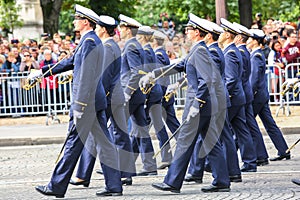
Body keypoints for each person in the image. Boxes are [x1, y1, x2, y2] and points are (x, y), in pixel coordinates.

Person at [30, 4, 122, 197]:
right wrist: (44, 73)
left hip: (86, 102)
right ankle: (114, 186)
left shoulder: (89, 41)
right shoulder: (89, 39)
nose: (73, 22)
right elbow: (70, 62)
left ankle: (56, 186)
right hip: (94, 101)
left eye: (76, 19)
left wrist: (79, 104)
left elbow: (86, 76)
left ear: (85, 22)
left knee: (73, 143)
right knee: (104, 144)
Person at [140, 13, 230, 193]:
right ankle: (221, 180)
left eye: (189, 29)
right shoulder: (198, 50)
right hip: (205, 105)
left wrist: (197, 104)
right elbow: (178, 66)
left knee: (184, 141)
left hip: (200, 104)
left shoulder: (201, 51)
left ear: (197, 32)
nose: (186, 32)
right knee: (211, 141)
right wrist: (153, 74)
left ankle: (172, 181)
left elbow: (207, 80)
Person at [69, 14, 136, 187]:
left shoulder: (107, 47)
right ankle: (122, 173)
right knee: (113, 135)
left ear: (104, 30)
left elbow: (102, 77)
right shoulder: (111, 45)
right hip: (113, 97)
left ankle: (86, 175)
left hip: (108, 97)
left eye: (98, 26)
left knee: (101, 137)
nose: (96, 29)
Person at [185, 19, 241, 184]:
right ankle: (228, 172)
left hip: (215, 99)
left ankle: (203, 171)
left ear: (207, 35)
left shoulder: (214, 52)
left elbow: (212, 79)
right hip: (218, 99)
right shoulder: (213, 50)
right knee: (218, 136)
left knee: (213, 136)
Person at [118, 14, 158, 176]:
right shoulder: (135, 45)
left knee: (118, 131)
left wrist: (127, 92)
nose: (119, 31)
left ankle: (123, 170)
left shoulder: (131, 46)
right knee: (141, 130)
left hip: (131, 94)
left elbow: (137, 72)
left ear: (127, 29)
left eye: (121, 28)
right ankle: (149, 165)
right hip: (137, 94)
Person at [219, 18, 257, 172]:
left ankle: (227, 165)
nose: (220, 35)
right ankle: (250, 162)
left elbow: (231, 79)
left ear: (228, 35)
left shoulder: (230, 53)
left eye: (222, 32)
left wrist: (224, 95)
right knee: (241, 129)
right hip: (238, 95)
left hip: (232, 97)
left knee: (225, 131)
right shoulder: (233, 51)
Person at [247, 29, 290, 162]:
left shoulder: (256, 56)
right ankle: (283, 150)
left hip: (256, 96)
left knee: (248, 124)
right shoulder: (257, 55)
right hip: (261, 95)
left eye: (249, 39)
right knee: (269, 124)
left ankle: (260, 155)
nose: (247, 41)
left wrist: (249, 94)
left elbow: (253, 80)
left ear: (255, 41)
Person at [233, 22, 270, 167]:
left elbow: (251, 77)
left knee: (241, 128)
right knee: (248, 126)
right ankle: (259, 156)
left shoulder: (245, 53)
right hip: (247, 94)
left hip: (245, 94)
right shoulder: (247, 52)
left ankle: (251, 159)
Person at [136, 26, 173, 169]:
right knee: (149, 127)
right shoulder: (153, 51)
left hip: (154, 93)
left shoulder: (153, 52)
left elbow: (156, 74)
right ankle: (165, 157)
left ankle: (127, 163)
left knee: (141, 128)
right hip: (156, 93)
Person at [151, 30, 180, 156]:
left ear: (153, 41)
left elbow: (160, 77)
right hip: (165, 94)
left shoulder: (158, 55)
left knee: (158, 126)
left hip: (161, 95)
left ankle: (166, 155)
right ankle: (186, 147)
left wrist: (160, 96)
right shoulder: (162, 54)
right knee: (173, 124)